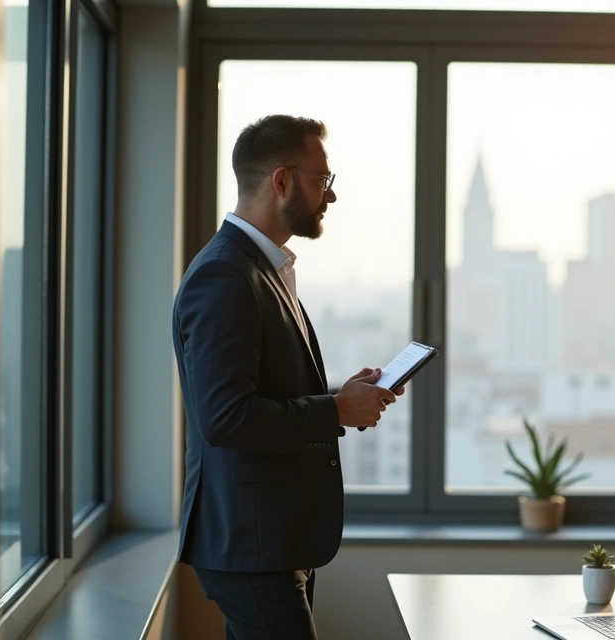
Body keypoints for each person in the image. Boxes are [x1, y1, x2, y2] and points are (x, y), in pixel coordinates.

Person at [172, 114, 401, 639]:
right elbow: (225, 417)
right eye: (323, 180)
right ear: (281, 181)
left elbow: (264, 393)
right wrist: (337, 411)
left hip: (272, 538)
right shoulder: (224, 274)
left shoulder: (259, 268)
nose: (331, 196)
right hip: (252, 543)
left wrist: (342, 395)